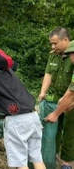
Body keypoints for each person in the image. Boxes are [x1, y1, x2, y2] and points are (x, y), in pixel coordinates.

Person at [38, 27, 74, 169]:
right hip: (62, 95)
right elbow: (48, 74)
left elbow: (71, 92)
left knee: (70, 129)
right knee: (55, 128)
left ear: (65, 40)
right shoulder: (54, 55)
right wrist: (43, 92)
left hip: (70, 96)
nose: (53, 46)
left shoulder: (72, 56)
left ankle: (67, 161)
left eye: (55, 43)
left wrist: (56, 113)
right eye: (51, 44)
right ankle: (51, 155)